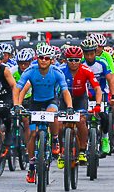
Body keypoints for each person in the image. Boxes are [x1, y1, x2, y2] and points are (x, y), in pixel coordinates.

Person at [15, 44, 72, 184]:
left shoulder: (57, 72)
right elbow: (19, 89)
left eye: (47, 58)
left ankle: (55, 140)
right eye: (41, 57)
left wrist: (69, 106)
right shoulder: (30, 70)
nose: (43, 60)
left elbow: (65, 91)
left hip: (51, 101)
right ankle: (31, 165)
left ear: (51, 59)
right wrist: (17, 104)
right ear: (37, 58)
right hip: (35, 102)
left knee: (51, 113)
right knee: (33, 134)